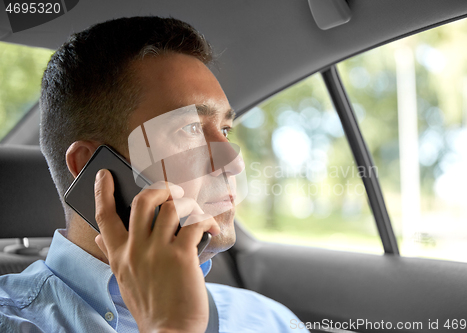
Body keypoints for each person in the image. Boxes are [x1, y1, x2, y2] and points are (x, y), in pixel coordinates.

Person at [0, 16, 309, 333]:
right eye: (190, 129)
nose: (233, 162)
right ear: (95, 171)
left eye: (225, 131)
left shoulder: (271, 319)